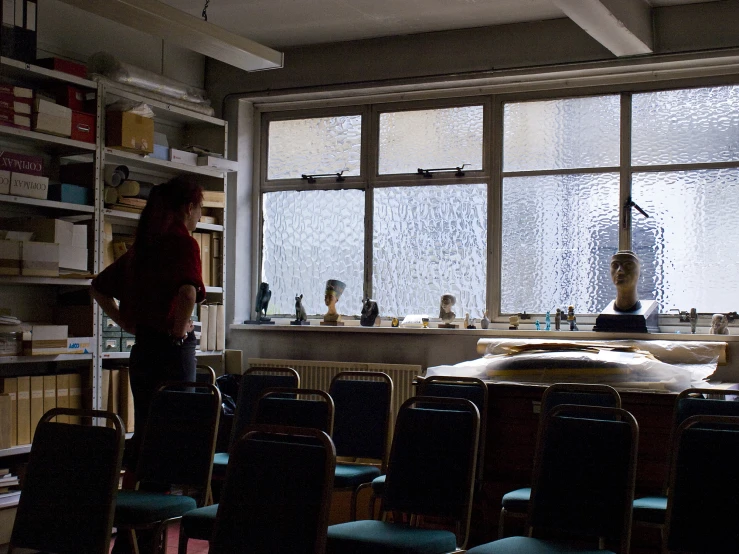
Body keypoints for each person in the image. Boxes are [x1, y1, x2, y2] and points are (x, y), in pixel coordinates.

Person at [91, 176, 205, 553]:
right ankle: (156, 532)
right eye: (199, 209)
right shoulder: (183, 244)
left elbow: (99, 287)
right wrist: (178, 330)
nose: (199, 216)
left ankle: (132, 535)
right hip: (174, 353)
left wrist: (125, 322)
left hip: (144, 352)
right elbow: (188, 291)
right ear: (188, 208)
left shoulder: (146, 244)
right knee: (172, 442)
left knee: (146, 436)